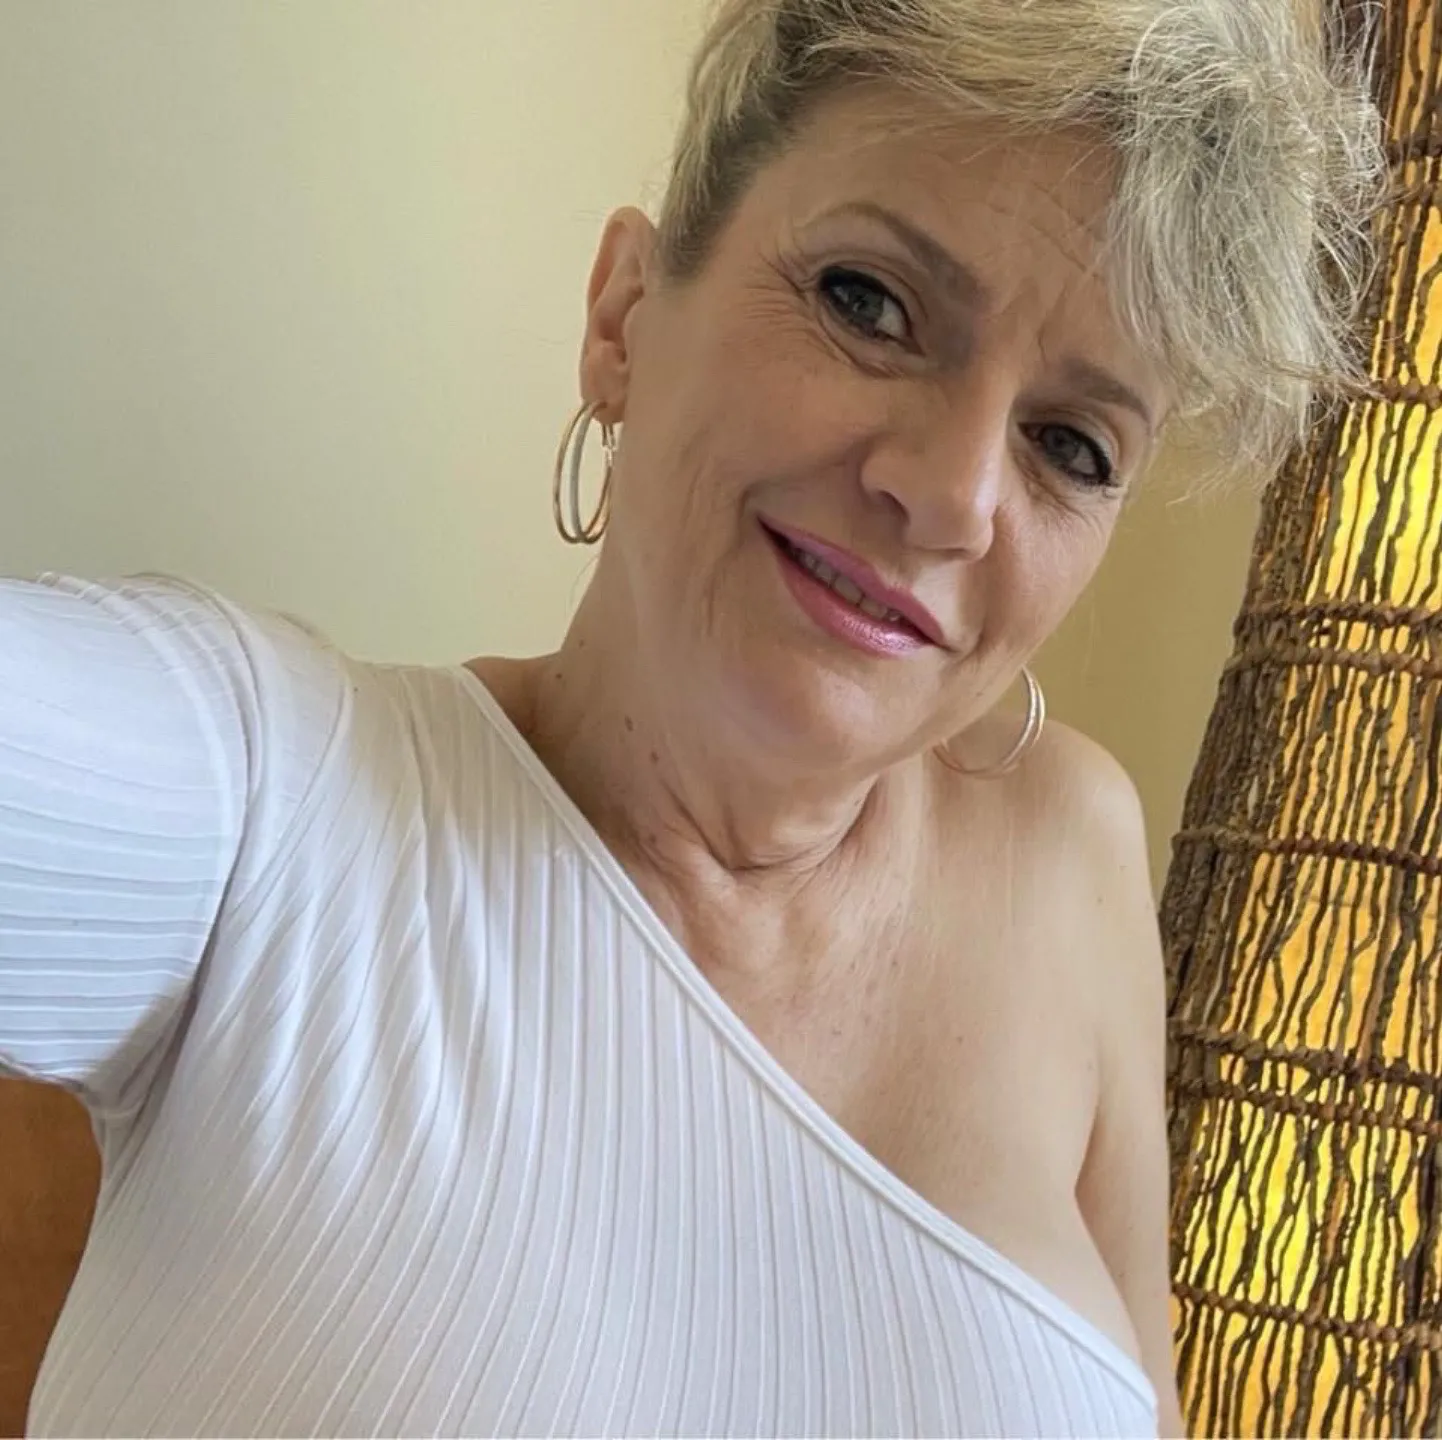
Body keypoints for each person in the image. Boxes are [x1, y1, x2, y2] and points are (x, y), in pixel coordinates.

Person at [0, 1, 1380, 1436]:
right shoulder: (279, 809)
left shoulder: (1073, 846)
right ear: (623, 320)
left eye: (1072, 447)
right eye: (868, 302)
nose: (954, 495)